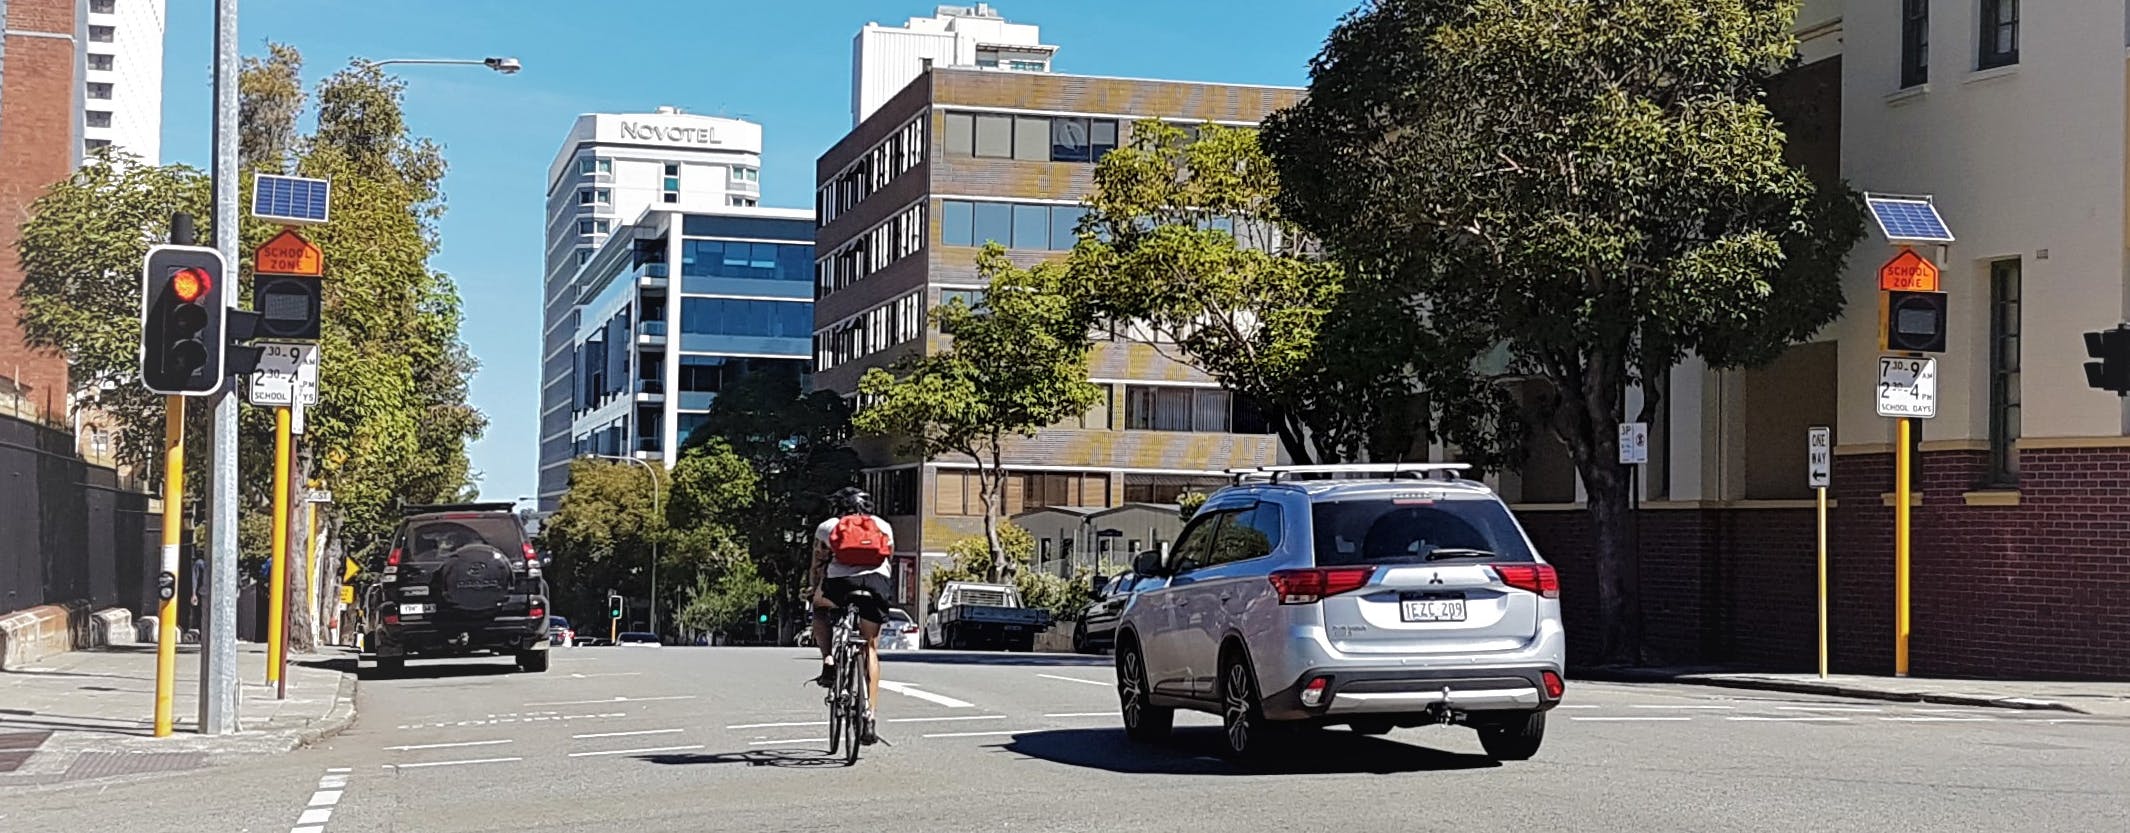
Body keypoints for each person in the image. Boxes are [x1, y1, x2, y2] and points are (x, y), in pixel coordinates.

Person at [810, 486, 894, 745]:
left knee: (820, 608)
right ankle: (869, 713)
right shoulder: (883, 526)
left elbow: (817, 561)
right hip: (877, 584)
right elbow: (888, 555)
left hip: (841, 583)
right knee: (870, 647)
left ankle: (828, 658)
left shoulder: (828, 526)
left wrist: (814, 588)